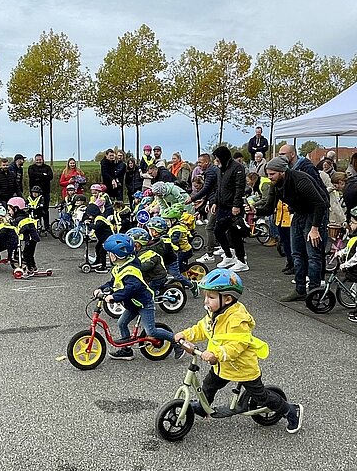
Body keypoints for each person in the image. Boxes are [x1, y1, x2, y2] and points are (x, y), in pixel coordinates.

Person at [174, 268, 303, 432]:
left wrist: (216, 354)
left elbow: (236, 346)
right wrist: (185, 334)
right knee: (209, 384)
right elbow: (201, 328)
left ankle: (290, 410)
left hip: (242, 367)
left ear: (227, 299)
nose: (206, 301)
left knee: (260, 396)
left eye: (211, 297)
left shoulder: (237, 319)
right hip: (223, 366)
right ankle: (202, 406)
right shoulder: (214, 314)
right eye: (206, 295)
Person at [98, 234, 179, 360]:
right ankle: (126, 350)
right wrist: (101, 289)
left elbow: (130, 289)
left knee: (151, 331)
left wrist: (114, 296)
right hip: (133, 303)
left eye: (110, 253)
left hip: (144, 303)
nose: (109, 256)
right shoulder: (119, 268)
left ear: (118, 255)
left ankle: (176, 341)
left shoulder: (131, 271)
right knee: (122, 323)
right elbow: (113, 282)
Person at [265, 157, 329, 300]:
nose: (269, 178)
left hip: (315, 213)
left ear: (282, 171)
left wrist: (315, 228)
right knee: (296, 254)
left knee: (313, 255)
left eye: (272, 174)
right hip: (299, 213)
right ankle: (300, 290)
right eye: (268, 174)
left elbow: (320, 203)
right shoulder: (275, 185)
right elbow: (269, 207)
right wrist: (253, 211)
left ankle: (315, 291)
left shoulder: (300, 180)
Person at [211, 145, 249, 272]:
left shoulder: (237, 168)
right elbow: (219, 187)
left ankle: (242, 260)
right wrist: (215, 202)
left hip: (233, 207)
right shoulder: (220, 169)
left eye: (217, 158)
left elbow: (239, 188)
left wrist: (236, 205)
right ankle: (228, 255)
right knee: (218, 231)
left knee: (235, 234)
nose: (216, 160)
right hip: (222, 206)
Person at [9, 196, 40, 275]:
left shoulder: (19, 219)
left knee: (26, 254)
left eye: (9, 210)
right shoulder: (24, 216)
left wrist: (20, 231)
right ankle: (33, 267)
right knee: (30, 254)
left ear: (15, 209)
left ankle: (29, 269)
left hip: (30, 238)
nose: (9, 212)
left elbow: (25, 227)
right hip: (33, 238)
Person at [84, 203, 115, 273]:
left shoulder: (100, 219)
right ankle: (98, 261)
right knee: (97, 248)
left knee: (102, 251)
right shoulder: (97, 218)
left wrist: (89, 224)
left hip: (107, 238)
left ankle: (103, 266)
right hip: (102, 238)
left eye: (90, 215)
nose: (89, 217)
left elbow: (97, 227)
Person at [27, 153, 54, 230]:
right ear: (35, 160)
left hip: (45, 192)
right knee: (34, 210)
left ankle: (46, 226)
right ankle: (35, 226)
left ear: (43, 160)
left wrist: (38, 176)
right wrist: (43, 175)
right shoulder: (31, 167)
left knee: (45, 210)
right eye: (37, 160)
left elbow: (50, 176)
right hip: (34, 194)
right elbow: (31, 175)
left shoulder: (47, 167)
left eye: (40, 160)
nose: (39, 161)